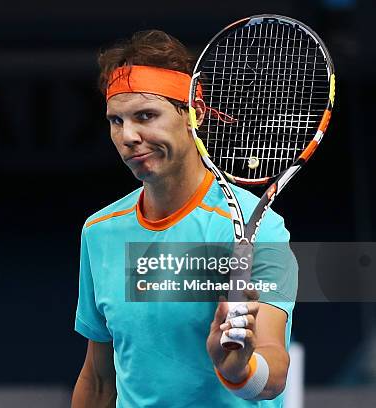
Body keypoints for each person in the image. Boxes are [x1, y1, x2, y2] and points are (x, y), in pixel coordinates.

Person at [71, 30, 297, 407]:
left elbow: (272, 376)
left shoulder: (260, 227)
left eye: (146, 116)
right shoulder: (100, 232)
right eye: (116, 121)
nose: (128, 136)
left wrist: (240, 369)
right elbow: (97, 380)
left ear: (195, 113)